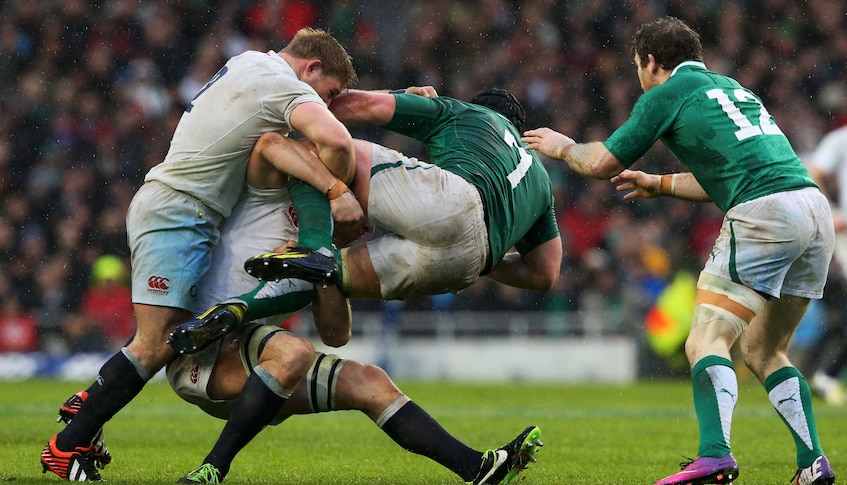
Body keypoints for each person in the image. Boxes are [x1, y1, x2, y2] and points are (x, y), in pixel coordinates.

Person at [59, 133, 544, 485]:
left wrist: (326, 273)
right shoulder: (285, 185)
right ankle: (211, 470)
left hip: (248, 351)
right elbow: (271, 142)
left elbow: (335, 334)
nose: (363, 228)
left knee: (369, 382)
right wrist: (331, 185)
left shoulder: (324, 249)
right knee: (290, 353)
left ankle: (477, 469)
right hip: (200, 349)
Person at [41, 27, 365, 482]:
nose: (325, 104)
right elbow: (337, 141)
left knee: (166, 338)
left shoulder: (251, 64)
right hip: (181, 210)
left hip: (184, 209)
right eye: (327, 93)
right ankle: (66, 445)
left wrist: (395, 98)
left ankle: (88, 407)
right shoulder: (280, 83)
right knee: (155, 344)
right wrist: (336, 191)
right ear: (310, 68)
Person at [521, 16, 835, 485]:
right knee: (765, 349)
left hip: (765, 213)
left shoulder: (665, 93)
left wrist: (564, 147)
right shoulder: (732, 88)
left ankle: (715, 455)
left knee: (705, 340)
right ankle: (813, 463)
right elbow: (736, 173)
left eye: (637, 67)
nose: (639, 76)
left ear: (650, 61)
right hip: (812, 209)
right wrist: (660, 184)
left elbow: (602, 161)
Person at [169, 88, 562, 355]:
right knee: (327, 277)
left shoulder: (467, 113)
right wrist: (485, 260)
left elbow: (362, 107)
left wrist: (298, 114)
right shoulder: (542, 185)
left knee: (320, 147)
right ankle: (239, 309)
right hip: (471, 262)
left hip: (453, 200)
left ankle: (313, 242)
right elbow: (545, 274)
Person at [807, 84, 847, 406]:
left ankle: (828, 376)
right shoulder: (845, 138)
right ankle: (845, 380)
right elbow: (813, 173)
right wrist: (832, 210)